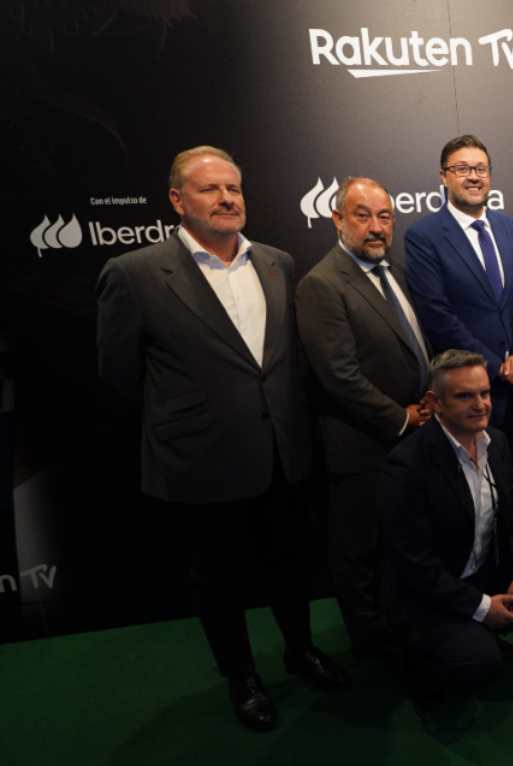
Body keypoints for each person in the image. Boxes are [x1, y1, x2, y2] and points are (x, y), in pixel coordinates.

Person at [96, 146, 346, 732]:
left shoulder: (279, 262)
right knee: (219, 580)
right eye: (210, 190)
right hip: (201, 461)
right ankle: (242, 677)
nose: (227, 198)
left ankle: (299, 650)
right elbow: (119, 375)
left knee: (290, 565)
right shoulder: (133, 274)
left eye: (234, 188)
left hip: (283, 451)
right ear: (178, 201)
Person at [380, 350, 513, 690]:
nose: (480, 404)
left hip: (481, 571)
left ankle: (478, 629)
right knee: (479, 662)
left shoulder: (497, 442)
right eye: (465, 396)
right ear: (436, 402)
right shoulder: (407, 464)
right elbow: (415, 565)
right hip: (429, 594)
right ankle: (419, 651)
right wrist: (481, 606)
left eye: (485, 393)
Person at [296, 176, 431, 661]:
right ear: (336, 219)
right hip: (361, 446)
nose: (376, 227)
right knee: (362, 556)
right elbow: (338, 375)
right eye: (363, 215)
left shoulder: (393, 273)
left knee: (400, 548)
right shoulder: (322, 284)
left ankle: (402, 633)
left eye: (385, 217)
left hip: (408, 439)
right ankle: (373, 651)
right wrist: (401, 417)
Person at [404, 134, 513, 508]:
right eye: (462, 169)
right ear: (443, 176)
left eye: (480, 169)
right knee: (477, 498)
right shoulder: (424, 236)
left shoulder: (508, 227)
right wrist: (494, 366)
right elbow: (437, 314)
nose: (473, 176)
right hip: (468, 392)